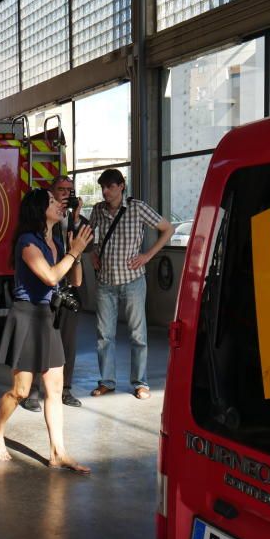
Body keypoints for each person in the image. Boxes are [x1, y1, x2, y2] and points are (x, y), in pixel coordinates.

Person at [0, 188, 94, 474]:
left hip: (48, 317)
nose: (59, 204)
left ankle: (57, 453)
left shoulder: (56, 241)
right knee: (21, 391)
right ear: (38, 210)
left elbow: (73, 279)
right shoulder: (27, 242)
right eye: (51, 201)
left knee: (55, 389)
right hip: (26, 316)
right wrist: (73, 252)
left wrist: (77, 254)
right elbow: (49, 277)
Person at [88, 169, 173, 400]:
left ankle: (140, 383)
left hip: (133, 281)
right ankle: (106, 381)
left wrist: (148, 256)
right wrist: (91, 253)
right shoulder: (97, 210)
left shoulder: (137, 207)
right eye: (103, 187)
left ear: (121, 186)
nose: (105, 191)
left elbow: (168, 229)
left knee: (138, 334)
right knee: (104, 335)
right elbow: (87, 234)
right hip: (105, 282)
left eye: (110, 186)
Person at [21, 175, 88, 411]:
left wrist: (76, 219)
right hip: (44, 294)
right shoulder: (32, 235)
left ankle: (64, 390)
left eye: (70, 190)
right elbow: (48, 273)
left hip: (66, 290)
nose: (66, 195)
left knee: (67, 343)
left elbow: (80, 249)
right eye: (61, 190)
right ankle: (31, 390)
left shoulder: (73, 219)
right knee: (39, 345)